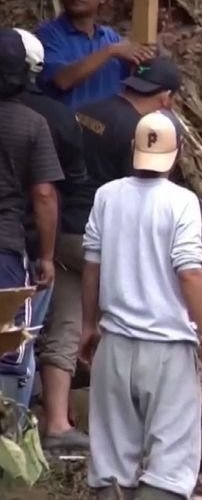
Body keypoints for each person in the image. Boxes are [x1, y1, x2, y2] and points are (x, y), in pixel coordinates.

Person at [80, 110, 202, 500]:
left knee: (110, 458)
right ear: (176, 153)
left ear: (133, 149)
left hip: (114, 343)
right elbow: (190, 272)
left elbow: (91, 266)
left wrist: (88, 325)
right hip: (167, 347)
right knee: (171, 464)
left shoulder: (106, 196)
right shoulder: (182, 202)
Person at [39, 55, 181, 449]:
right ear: (166, 98)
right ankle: (125, 421)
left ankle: (56, 423)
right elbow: (138, 194)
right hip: (99, 238)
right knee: (121, 324)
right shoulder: (141, 132)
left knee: (68, 324)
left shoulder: (85, 112)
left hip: (62, 231)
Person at [10, 28, 87, 427]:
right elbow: (54, 191)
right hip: (29, 245)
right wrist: (49, 252)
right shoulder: (53, 117)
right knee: (23, 339)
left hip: (18, 241)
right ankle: (31, 428)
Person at [0, 29, 63, 417]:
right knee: (6, 345)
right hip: (5, 249)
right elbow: (43, 195)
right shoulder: (31, 124)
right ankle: (7, 442)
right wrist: (48, 256)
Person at [35, 0, 154, 108]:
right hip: (69, 129)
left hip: (110, 128)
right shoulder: (48, 33)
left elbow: (141, 73)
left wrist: (147, 60)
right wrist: (110, 51)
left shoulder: (110, 37)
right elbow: (62, 80)